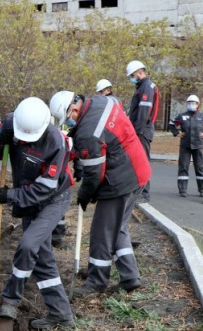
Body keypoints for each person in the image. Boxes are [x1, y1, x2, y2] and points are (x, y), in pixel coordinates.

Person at [50, 91, 151, 297]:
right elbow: (101, 144)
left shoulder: (87, 132)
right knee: (117, 226)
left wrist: (85, 194)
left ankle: (96, 281)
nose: (69, 122)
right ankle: (130, 276)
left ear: (75, 109)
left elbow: (95, 174)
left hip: (120, 180)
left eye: (68, 118)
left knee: (101, 232)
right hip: (138, 170)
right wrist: (81, 160)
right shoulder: (103, 101)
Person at [0, 97, 75, 329]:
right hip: (28, 200)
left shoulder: (55, 142)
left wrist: (10, 196)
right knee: (42, 259)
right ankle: (61, 315)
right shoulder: (12, 123)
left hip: (52, 200)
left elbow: (43, 189)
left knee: (28, 245)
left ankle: (9, 299)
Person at [169, 95, 203, 197]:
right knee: (183, 167)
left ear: (198, 105)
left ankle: (202, 190)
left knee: (199, 168)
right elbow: (172, 124)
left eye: (193, 103)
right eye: (189, 103)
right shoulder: (182, 116)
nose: (191, 105)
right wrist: (176, 133)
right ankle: (182, 190)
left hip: (198, 145)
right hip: (185, 145)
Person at [126, 61, 159, 201]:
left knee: (143, 160)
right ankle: (138, 191)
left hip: (142, 130)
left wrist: (137, 131)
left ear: (140, 72)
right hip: (141, 129)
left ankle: (144, 193)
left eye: (133, 75)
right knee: (138, 160)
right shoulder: (142, 86)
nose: (132, 78)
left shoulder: (146, 87)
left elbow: (144, 112)